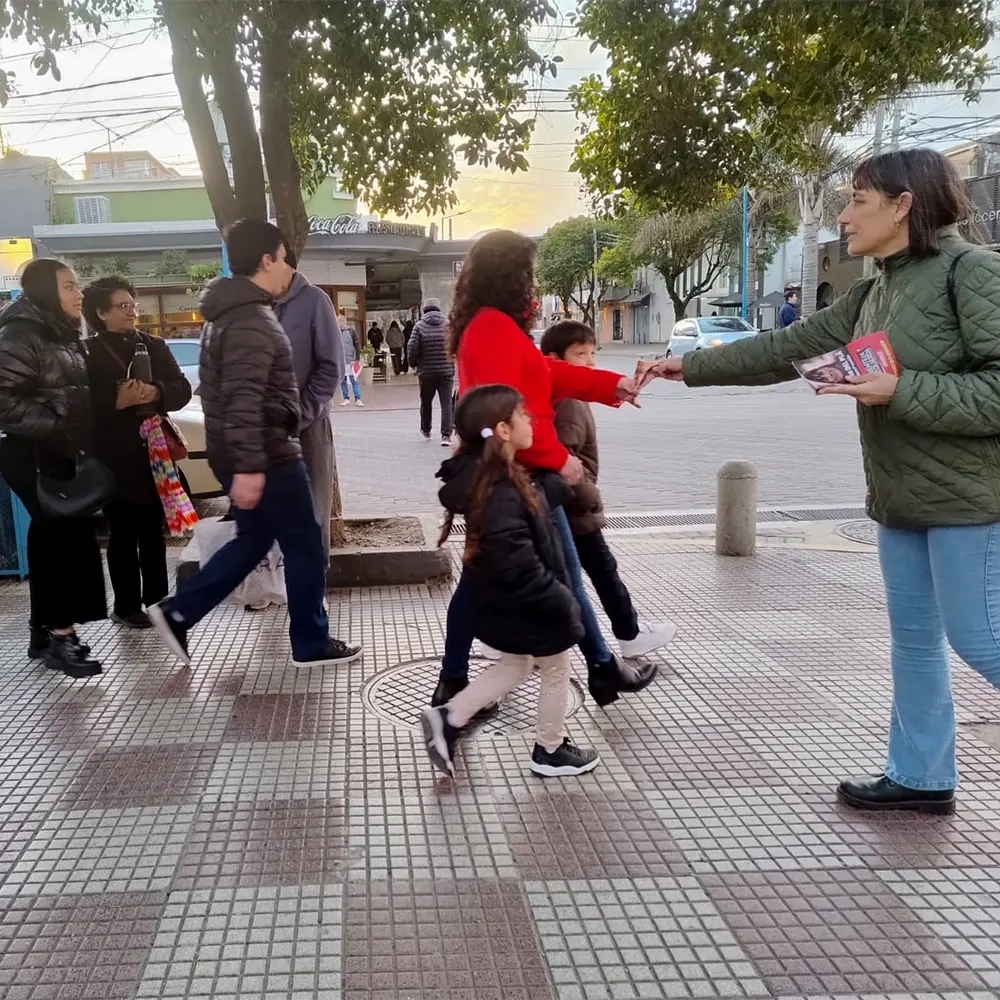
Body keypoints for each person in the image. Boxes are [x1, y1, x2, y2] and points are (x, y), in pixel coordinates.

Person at [649, 148, 1000, 815]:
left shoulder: (973, 273)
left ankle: (922, 771)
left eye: (858, 200)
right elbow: (787, 349)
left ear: (905, 204)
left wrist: (903, 389)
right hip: (902, 498)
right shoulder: (875, 290)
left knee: (981, 638)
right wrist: (687, 368)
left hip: (969, 501)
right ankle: (921, 775)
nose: (843, 216)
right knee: (916, 640)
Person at [433, 228, 656, 713]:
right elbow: (510, 411)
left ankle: (459, 682)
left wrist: (611, 385)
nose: (535, 284)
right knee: (563, 576)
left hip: (513, 473)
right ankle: (598, 668)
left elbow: (544, 373)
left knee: (486, 579)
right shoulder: (492, 328)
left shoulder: (494, 325)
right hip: (518, 474)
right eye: (530, 274)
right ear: (511, 275)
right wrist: (560, 460)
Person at [147, 219, 362, 670]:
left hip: (250, 450)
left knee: (253, 540)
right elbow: (244, 397)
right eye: (284, 258)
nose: (288, 268)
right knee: (303, 542)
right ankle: (310, 641)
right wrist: (249, 466)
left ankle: (180, 612)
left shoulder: (228, 313)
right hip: (267, 453)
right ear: (267, 260)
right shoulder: (250, 319)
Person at [423, 384, 599, 778]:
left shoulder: (498, 478)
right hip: (529, 603)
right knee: (556, 667)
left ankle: (449, 718)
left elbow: (526, 505)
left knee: (517, 665)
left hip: (509, 603)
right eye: (523, 415)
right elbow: (515, 557)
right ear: (502, 430)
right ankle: (550, 749)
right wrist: (560, 599)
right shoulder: (500, 490)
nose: (531, 421)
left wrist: (557, 484)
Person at [541, 319, 677, 659]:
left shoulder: (571, 393)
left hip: (569, 507)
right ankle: (628, 635)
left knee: (578, 575)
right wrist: (589, 495)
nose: (589, 361)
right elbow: (566, 463)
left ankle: (625, 632)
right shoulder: (568, 400)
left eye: (592, 352)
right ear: (554, 359)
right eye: (580, 354)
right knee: (600, 573)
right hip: (574, 508)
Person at [0, 258, 104, 677]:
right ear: (45, 291)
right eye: (68, 286)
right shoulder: (21, 334)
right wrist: (60, 424)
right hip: (35, 454)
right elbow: (5, 403)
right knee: (62, 539)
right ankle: (62, 637)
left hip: (60, 452)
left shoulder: (61, 333)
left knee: (55, 537)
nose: (78, 293)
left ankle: (44, 633)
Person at [84, 276, 192, 629]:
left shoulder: (154, 345)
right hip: (112, 456)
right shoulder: (87, 352)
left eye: (133, 304)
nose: (132, 311)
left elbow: (182, 389)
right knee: (122, 531)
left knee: (152, 529)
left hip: (154, 454)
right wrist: (119, 401)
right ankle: (126, 604)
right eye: (122, 306)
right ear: (101, 313)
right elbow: (80, 406)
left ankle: (158, 599)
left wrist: (155, 391)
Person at [273, 248, 344, 563]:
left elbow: (331, 367)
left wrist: (298, 414)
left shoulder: (314, 300)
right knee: (270, 512)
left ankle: (313, 587)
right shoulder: (254, 305)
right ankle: (269, 583)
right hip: (266, 430)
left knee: (312, 510)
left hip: (309, 426)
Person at [407, 297, 454, 446]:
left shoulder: (419, 326)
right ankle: (446, 435)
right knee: (446, 403)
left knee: (426, 402)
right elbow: (455, 344)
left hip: (426, 372)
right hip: (446, 372)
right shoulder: (448, 325)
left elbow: (412, 347)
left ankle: (426, 429)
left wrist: (413, 364)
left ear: (425, 310)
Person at [338, 313, 363, 406]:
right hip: (341, 361)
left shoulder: (352, 331)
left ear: (344, 321)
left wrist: (357, 359)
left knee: (354, 380)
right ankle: (346, 398)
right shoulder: (336, 332)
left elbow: (357, 345)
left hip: (351, 360)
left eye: (339, 321)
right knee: (343, 380)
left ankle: (358, 399)